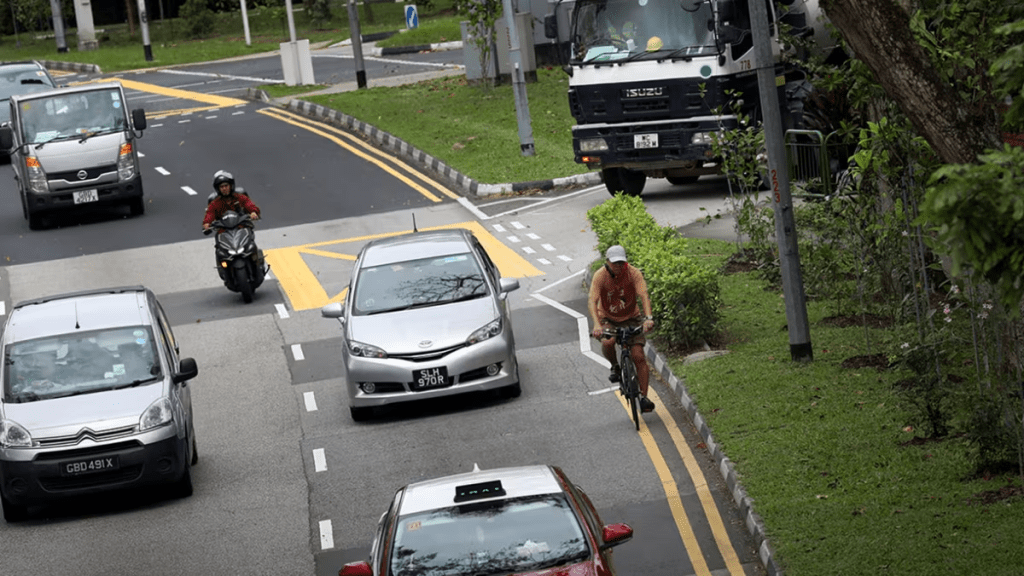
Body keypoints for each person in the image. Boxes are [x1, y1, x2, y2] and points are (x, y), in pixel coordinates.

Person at [589, 245, 657, 413]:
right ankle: (615, 366)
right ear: (607, 262)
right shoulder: (600, 276)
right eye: (615, 263)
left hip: (631, 318)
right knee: (608, 342)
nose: (619, 266)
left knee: (638, 356)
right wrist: (597, 324)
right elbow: (592, 300)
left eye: (621, 263)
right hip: (607, 318)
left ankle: (644, 397)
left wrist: (648, 318)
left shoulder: (633, 273)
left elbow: (644, 295)